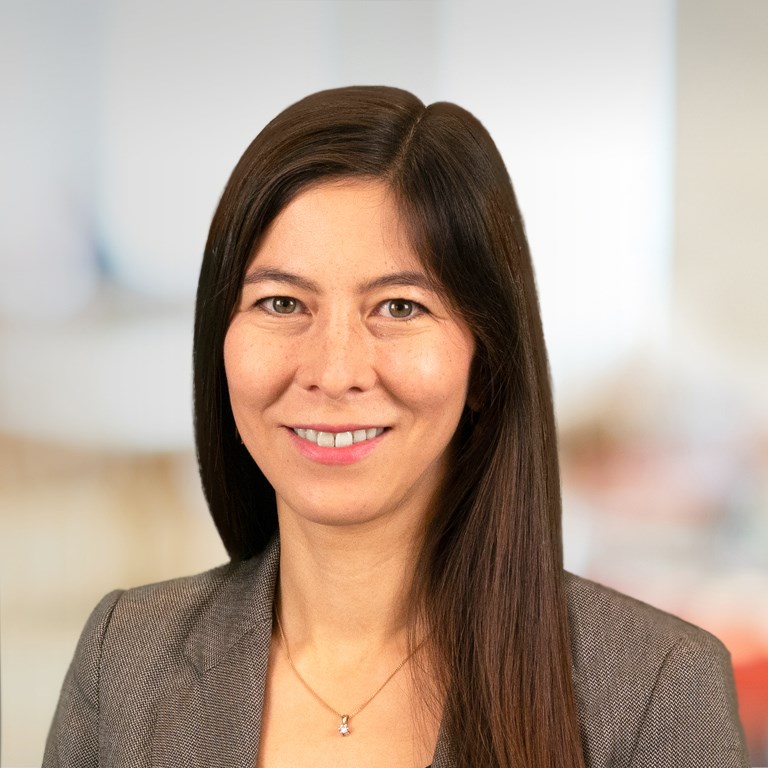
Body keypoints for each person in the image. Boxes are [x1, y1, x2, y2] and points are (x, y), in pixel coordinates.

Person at [43, 85, 749, 768]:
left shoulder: (656, 689)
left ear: (485, 356)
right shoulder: (125, 662)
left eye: (400, 308)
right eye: (283, 303)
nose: (334, 368)